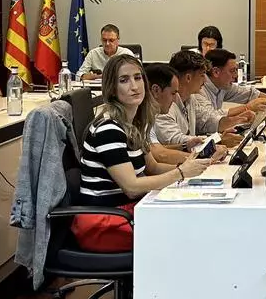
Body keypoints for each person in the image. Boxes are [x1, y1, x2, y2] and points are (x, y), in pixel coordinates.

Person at [73, 54, 211, 251]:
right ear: (112, 89)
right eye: (124, 80)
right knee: (189, 232)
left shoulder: (134, 126)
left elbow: (153, 167)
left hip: (128, 212)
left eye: (138, 78)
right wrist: (181, 173)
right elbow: (131, 187)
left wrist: (197, 169)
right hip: (105, 222)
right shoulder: (108, 129)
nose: (134, 86)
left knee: (194, 220)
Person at [155, 50, 252, 147]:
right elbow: (176, 141)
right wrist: (219, 140)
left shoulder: (190, 98)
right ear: (188, 78)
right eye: (202, 75)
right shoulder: (165, 105)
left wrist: (240, 120)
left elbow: (208, 120)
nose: (205, 80)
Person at [145, 63, 226, 166]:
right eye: (173, 93)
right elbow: (160, 154)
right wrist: (205, 158)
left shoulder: (146, 119)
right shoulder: (140, 120)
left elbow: (155, 148)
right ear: (156, 90)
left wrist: (185, 146)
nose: (175, 99)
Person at [201, 49, 266, 120]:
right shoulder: (199, 89)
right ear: (216, 72)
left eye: (236, 70)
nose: (236, 75)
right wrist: (247, 108)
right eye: (232, 71)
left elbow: (250, 94)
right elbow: (210, 118)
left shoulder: (221, 85)